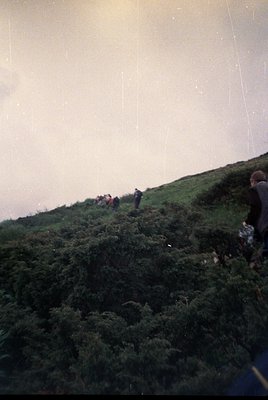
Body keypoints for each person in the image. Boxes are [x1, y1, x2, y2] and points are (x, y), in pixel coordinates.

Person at [244, 170, 268, 261]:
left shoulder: (255, 189)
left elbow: (255, 208)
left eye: (251, 181)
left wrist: (248, 221)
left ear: (253, 180)